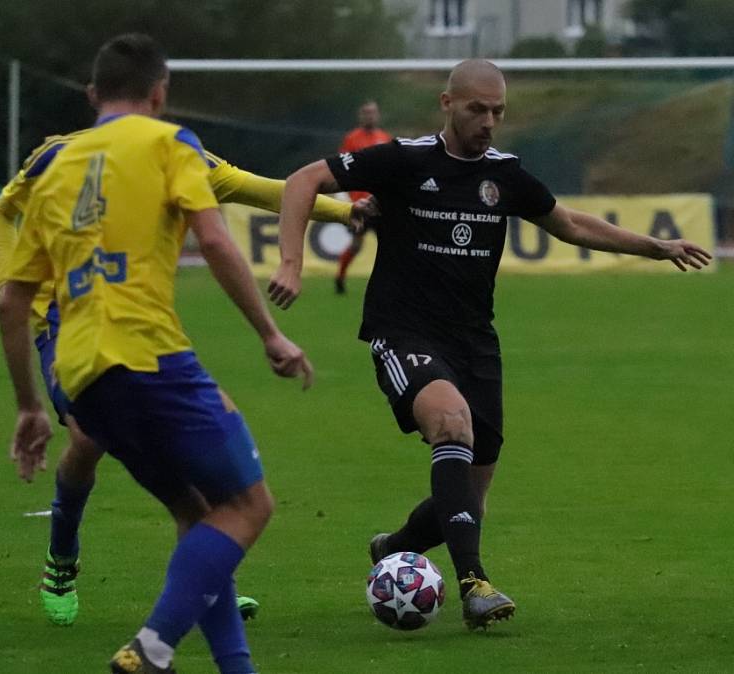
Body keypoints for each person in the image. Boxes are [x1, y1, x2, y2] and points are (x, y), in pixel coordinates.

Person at [267, 59, 711, 630]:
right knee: (450, 423)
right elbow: (305, 180)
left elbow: (570, 224)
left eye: (498, 111)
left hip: (476, 344)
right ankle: (474, 582)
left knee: (467, 503)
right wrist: (291, 262)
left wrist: (655, 247)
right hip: (403, 333)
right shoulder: (405, 160)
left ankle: (395, 547)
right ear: (447, 103)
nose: (489, 121)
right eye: (478, 109)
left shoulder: (506, 175)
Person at [0, 33, 313, 674]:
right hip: (149, 356)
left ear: (93, 96)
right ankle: (153, 647)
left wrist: (30, 407)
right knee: (251, 506)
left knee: (198, 516)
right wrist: (269, 335)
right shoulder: (171, 144)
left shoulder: (53, 167)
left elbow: (11, 300)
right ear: (161, 93)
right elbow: (216, 242)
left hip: (80, 375)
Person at [0, 121, 371, 629]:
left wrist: (345, 210)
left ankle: (208, 585)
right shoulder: (60, 156)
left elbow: (253, 188)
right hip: (67, 320)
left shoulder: (176, 152)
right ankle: (63, 559)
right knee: (87, 441)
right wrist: (21, 287)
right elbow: (2, 211)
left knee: (194, 447)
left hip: (142, 327)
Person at [334, 100, 392, 294]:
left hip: (381, 203)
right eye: (366, 112)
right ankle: (340, 277)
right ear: (361, 115)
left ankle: (389, 284)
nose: (370, 116)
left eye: (373, 112)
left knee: (390, 245)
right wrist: (346, 197)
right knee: (357, 244)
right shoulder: (352, 139)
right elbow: (341, 168)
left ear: (378, 115)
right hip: (360, 204)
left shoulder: (384, 138)